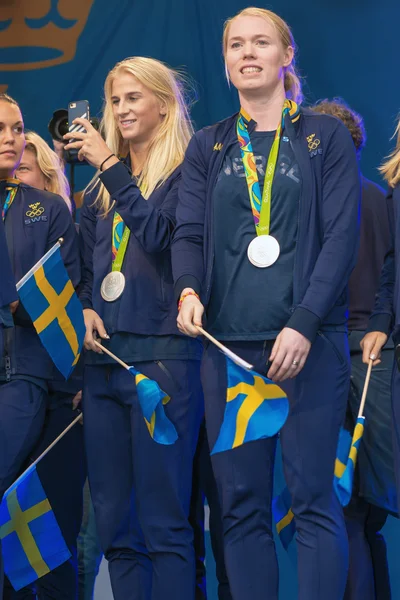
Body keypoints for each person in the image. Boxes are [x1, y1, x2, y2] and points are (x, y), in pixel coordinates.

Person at [172, 7, 360, 600]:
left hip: (308, 346)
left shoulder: (323, 136)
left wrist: (304, 323)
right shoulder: (208, 144)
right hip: (227, 351)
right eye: (235, 45)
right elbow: (189, 232)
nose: (247, 53)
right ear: (226, 62)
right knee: (240, 507)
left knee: (311, 500)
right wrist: (187, 289)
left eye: (260, 43)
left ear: (286, 57)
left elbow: (341, 237)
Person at [64, 56, 204, 600]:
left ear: (163, 105)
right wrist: (82, 305)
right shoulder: (100, 187)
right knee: (117, 526)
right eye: (114, 100)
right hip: (102, 366)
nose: (120, 110)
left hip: (163, 359)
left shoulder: (186, 171)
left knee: (164, 522)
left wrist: (111, 169)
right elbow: (78, 265)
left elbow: (160, 237)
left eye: (132, 98)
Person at [313, 99, 394, 600]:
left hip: (334, 358)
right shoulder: (386, 200)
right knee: (365, 514)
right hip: (380, 363)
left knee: (342, 511)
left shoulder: (310, 208)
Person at [0, 94, 80, 596]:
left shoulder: (46, 208)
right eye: (1, 129)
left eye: (18, 128)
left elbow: (61, 299)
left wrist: (12, 302)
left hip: (23, 378)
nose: (13, 138)